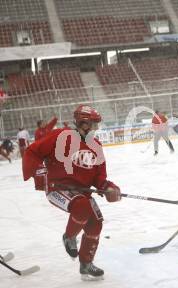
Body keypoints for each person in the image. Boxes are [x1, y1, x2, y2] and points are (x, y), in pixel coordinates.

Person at [22, 105, 121, 281]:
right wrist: (39, 173)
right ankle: (69, 237)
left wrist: (107, 187)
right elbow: (33, 152)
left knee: (96, 223)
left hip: (81, 192)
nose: (95, 128)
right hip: (59, 188)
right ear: (83, 123)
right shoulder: (60, 136)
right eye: (93, 124)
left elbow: (99, 176)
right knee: (82, 207)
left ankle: (86, 264)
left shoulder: (95, 145)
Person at [33, 116, 58, 191]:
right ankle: (51, 178)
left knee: (56, 162)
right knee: (48, 164)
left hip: (52, 149)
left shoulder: (48, 128)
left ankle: (57, 175)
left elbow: (52, 123)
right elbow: (37, 142)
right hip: (44, 151)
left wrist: (55, 118)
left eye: (44, 122)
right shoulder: (37, 132)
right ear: (39, 125)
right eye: (43, 123)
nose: (44, 123)